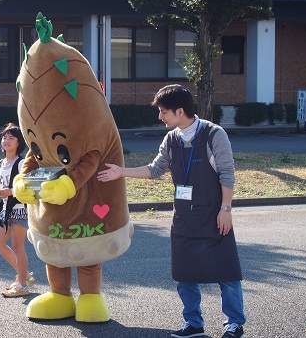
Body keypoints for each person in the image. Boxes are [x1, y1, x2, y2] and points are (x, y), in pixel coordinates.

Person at [97, 84, 245, 338]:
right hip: (184, 217)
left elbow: (227, 174)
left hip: (214, 215)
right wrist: (121, 172)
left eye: (164, 112)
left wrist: (226, 209)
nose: (160, 117)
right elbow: (155, 170)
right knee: (185, 273)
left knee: (226, 272)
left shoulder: (213, 134)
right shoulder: (172, 138)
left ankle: (234, 323)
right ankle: (193, 323)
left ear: (179, 111)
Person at [0, 123, 34, 298]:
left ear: (19, 143)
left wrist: (11, 192)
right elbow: (4, 185)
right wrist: (0, 191)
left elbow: (29, 187)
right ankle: (24, 275)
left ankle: (22, 284)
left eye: (11, 138)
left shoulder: (21, 162)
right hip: (6, 209)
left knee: (17, 246)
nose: (6, 141)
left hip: (19, 209)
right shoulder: (2, 163)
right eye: (4, 137)